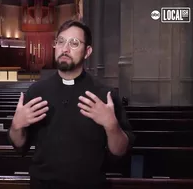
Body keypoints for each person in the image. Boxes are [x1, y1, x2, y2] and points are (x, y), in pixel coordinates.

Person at [8, 20, 135, 189]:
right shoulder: (36, 91)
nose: (65, 49)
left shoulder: (105, 95)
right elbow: (19, 146)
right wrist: (16, 126)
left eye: (74, 43)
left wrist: (111, 126)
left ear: (87, 51)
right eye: (60, 41)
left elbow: (120, 151)